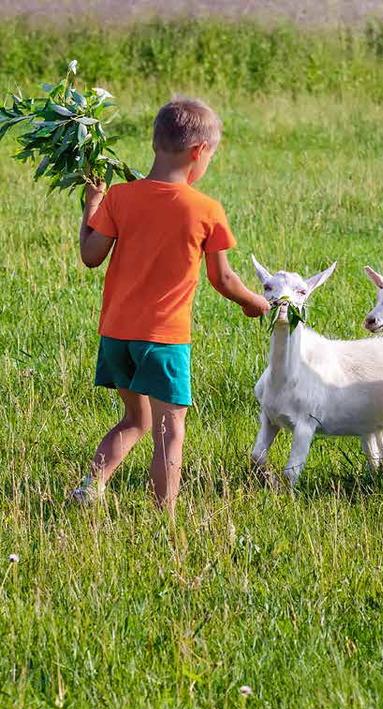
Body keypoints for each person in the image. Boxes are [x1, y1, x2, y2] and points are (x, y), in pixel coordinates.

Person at [71, 96, 270, 513]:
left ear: (156, 142)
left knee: (134, 421)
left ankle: (91, 486)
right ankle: (165, 517)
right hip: (163, 341)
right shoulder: (206, 209)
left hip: (116, 336)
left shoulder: (120, 197)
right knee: (169, 428)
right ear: (199, 152)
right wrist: (255, 303)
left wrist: (91, 205)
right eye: (210, 157)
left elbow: (91, 256)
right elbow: (224, 279)